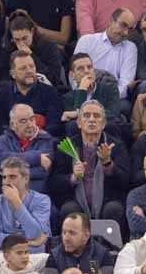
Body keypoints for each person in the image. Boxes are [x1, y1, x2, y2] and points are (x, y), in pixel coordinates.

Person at [46, 99, 130, 232]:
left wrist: (107, 164)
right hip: (76, 201)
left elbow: (126, 181)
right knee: (69, 210)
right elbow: (53, 183)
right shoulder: (66, 147)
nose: (92, 120)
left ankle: (113, 250)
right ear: (79, 123)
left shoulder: (116, 146)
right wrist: (73, 177)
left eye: (96, 116)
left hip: (107, 201)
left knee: (114, 209)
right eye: (86, 116)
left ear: (103, 124)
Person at [0, 51, 63, 136]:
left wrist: (36, 138)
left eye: (32, 66)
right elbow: (0, 128)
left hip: (43, 142)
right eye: (23, 68)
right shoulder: (0, 95)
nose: (29, 71)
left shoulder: (51, 93)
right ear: (13, 74)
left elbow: (54, 125)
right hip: (12, 144)